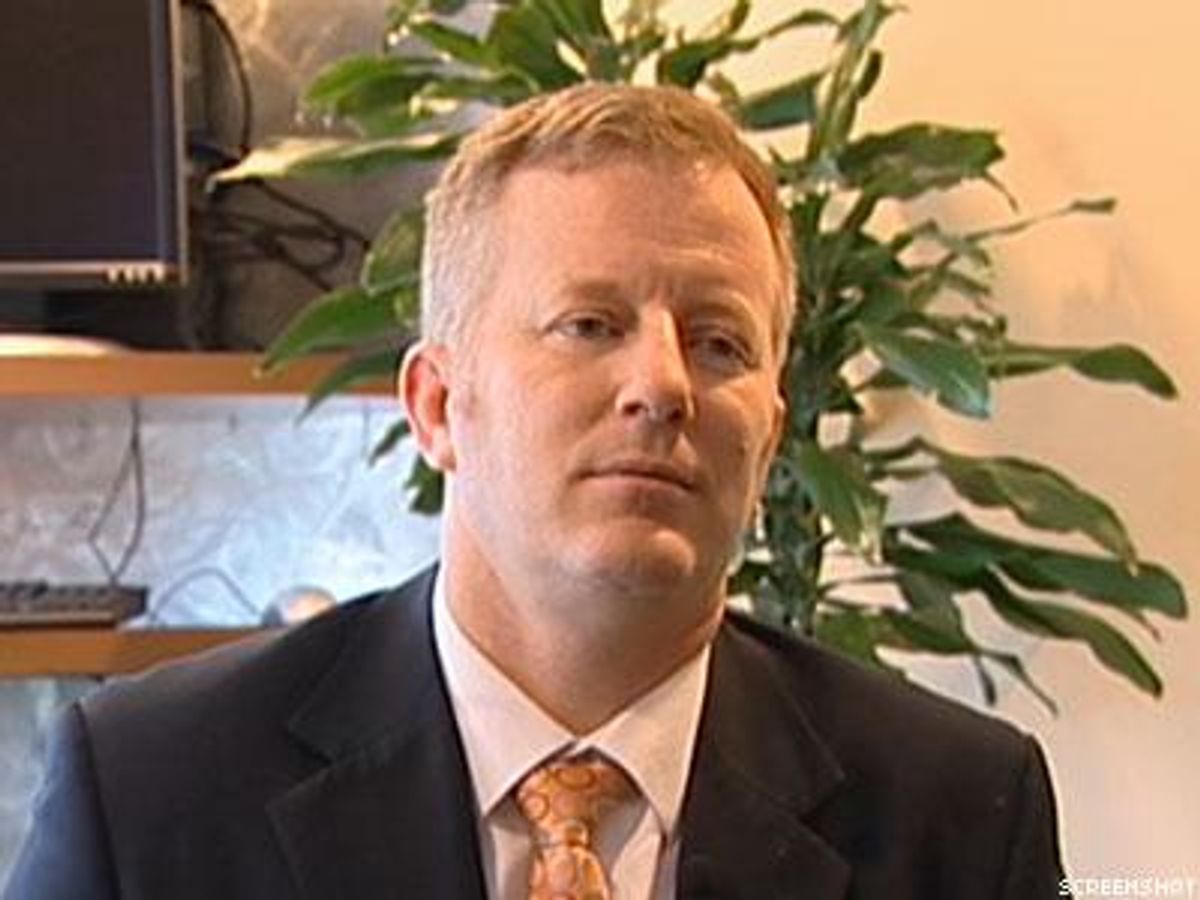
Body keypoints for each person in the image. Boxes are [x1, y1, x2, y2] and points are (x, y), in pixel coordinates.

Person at [5, 84, 1067, 900]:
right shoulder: (152, 791)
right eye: (589, 324)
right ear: (436, 405)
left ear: (772, 434)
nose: (662, 385)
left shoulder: (960, 812)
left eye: (719, 342)